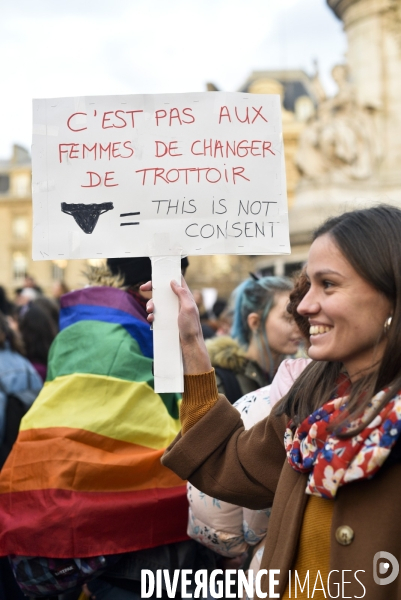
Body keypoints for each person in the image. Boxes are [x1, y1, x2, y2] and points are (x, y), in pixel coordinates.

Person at [144, 204, 401, 598]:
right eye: (308, 284)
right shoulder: (315, 395)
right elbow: (227, 466)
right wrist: (192, 342)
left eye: (328, 284)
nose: (303, 305)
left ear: (390, 295)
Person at [0, 256, 217, 600]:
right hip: (130, 557)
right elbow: (169, 439)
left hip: (135, 552)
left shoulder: (102, 324)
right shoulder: (115, 335)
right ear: (151, 284)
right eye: (179, 285)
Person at [206, 276, 302, 402]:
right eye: (288, 318)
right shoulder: (222, 383)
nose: (299, 327)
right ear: (255, 322)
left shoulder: (298, 376)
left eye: (300, 317)